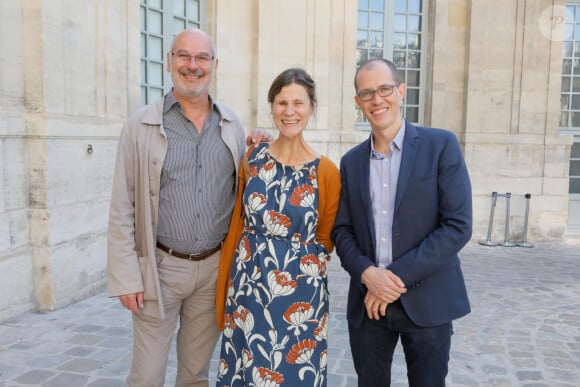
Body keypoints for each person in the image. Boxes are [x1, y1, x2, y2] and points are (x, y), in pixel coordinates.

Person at [107, 29, 268, 387]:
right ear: (169, 62)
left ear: (214, 65)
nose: (192, 66)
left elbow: (245, 184)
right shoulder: (141, 125)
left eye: (202, 58)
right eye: (183, 56)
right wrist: (125, 276)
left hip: (213, 270)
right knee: (146, 377)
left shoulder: (231, 124)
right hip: (159, 269)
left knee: (195, 375)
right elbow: (122, 204)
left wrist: (261, 145)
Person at [331, 58, 472, 387]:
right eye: (367, 93)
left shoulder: (441, 145)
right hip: (369, 306)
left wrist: (391, 279)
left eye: (384, 89)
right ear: (358, 102)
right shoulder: (351, 162)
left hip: (427, 303)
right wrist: (368, 274)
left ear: (401, 91)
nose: (377, 100)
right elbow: (342, 230)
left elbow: (457, 225)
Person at [214, 68, 341, 386]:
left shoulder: (325, 171)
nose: (289, 111)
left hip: (300, 296)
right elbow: (238, 223)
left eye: (298, 102)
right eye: (282, 102)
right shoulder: (252, 160)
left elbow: (325, 238)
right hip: (248, 290)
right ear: (271, 106)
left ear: (311, 107)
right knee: (248, 370)